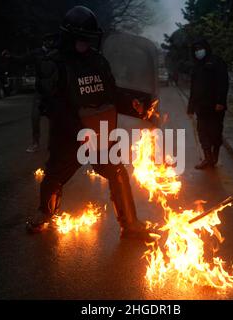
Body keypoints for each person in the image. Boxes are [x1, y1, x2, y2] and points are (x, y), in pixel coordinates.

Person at [25, 6, 151, 240]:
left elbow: (110, 93)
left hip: (100, 131)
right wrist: (79, 131)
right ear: (69, 36)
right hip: (69, 134)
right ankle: (44, 212)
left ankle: (130, 225)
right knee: (54, 175)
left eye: (89, 39)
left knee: (117, 172)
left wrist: (132, 104)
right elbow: (52, 106)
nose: (86, 44)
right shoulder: (53, 63)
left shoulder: (97, 60)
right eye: (82, 39)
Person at [2, 33, 59, 153]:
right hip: (40, 90)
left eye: (52, 40)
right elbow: (22, 59)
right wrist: (10, 57)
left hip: (54, 91)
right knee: (35, 117)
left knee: (55, 119)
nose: (50, 42)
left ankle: (53, 143)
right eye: (48, 40)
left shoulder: (58, 53)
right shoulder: (37, 53)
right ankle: (35, 142)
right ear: (44, 41)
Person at [187, 39, 228, 169]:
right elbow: (193, 88)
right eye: (196, 50)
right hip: (201, 106)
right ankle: (207, 158)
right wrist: (190, 107)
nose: (198, 52)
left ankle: (214, 156)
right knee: (202, 132)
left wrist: (220, 101)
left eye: (200, 48)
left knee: (215, 132)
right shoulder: (196, 66)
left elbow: (223, 82)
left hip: (215, 106)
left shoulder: (217, 62)